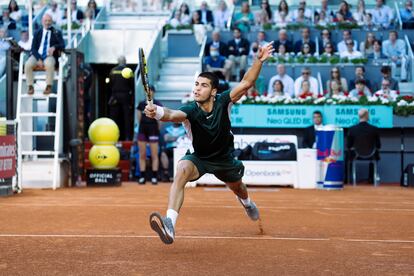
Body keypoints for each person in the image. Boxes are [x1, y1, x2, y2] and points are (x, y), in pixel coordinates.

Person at [145, 43, 274, 245]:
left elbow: (247, 82)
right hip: (199, 158)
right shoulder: (191, 109)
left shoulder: (224, 101)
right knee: (182, 170)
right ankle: (170, 223)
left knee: (238, 188)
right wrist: (158, 112)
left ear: (214, 91)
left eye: (203, 85)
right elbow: (172, 115)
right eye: (196, 84)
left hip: (224, 159)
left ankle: (247, 203)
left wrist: (258, 60)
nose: (197, 88)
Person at [24, 14, 64, 95]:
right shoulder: (37, 32)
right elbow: (33, 48)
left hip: (49, 55)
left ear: (52, 22)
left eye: (49, 21)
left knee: (49, 64)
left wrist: (54, 47)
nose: (47, 23)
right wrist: (38, 58)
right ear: (42, 22)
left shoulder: (56, 32)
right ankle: (30, 86)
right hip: (37, 55)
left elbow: (62, 45)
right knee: (27, 64)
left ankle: (48, 86)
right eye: (45, 21)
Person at [137, 85, 163, 185]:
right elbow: (139, 118)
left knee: (154, 155)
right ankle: (142, 177)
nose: (149, 92)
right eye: (147, 91)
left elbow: (160, 119)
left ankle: (154, 177)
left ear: (154, 92)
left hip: (153, 129)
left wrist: (157, 129)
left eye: (151, 91)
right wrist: (140, 128)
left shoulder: (157, 104)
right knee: (142, 154)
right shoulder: (141, 104)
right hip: (143, 129)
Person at [347, 109, 381, 183]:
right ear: (366, 115)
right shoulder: (374, 129)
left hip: (356, 155)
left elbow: (348, 145)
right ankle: (372, 179)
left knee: (348, 154)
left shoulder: (352, 129)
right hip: (372, 155)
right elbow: (379, 146)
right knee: (375, 154)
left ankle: (348, 180)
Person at [108, 56, 134, 141]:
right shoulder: (129, 71)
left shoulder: (113, 71)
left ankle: (113, 137)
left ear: (118, 61)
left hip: (115, 96)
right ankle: (127, 137)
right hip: (126, 96)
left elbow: (110, 83)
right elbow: (132, 85)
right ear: (125, 61)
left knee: (114, 118)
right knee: (127, 117)